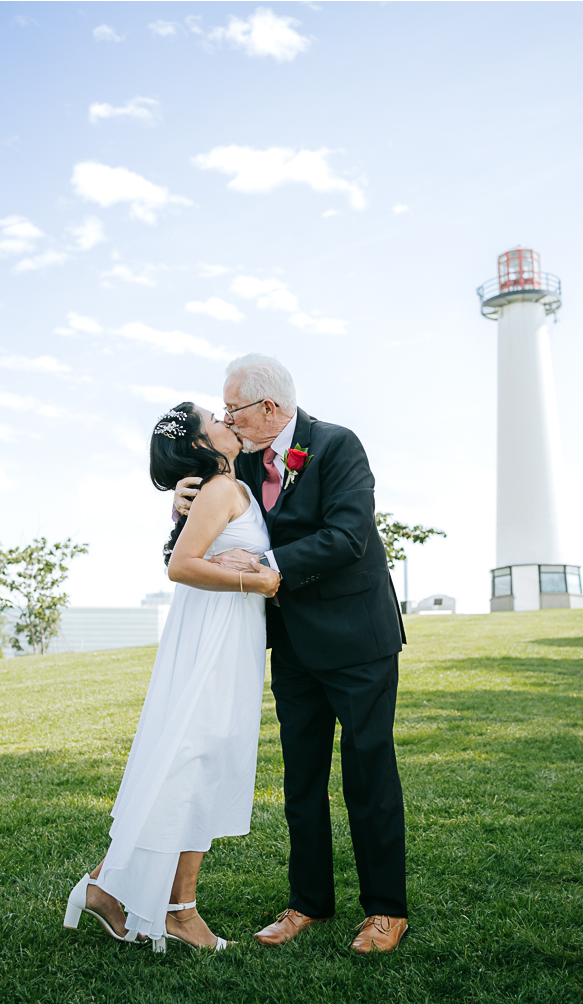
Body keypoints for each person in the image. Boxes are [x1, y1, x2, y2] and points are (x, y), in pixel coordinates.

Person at [174, 354, 408, 953]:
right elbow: (209, 533)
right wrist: (180, 504)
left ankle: (385, 910)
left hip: (359, 640)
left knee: (368, 773)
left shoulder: (336, 446)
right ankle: (308, 903)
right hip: (293, 646)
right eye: (224, 410)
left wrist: (266, 568)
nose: (228, 418)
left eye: (234, 409)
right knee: (302, 781)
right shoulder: (239, 465)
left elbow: (347, 535)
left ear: (269, 408)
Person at [64, 403, 280, 951]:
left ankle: (109, 885)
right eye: (215, 417)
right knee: (192, 760)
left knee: (190, 758)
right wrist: (261, 584)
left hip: (225, 634)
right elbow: (181, 566)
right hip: (215, 638)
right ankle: (175, 908)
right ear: (201, 444)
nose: (226, 419)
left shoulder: (229, 485)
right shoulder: (221, 490)